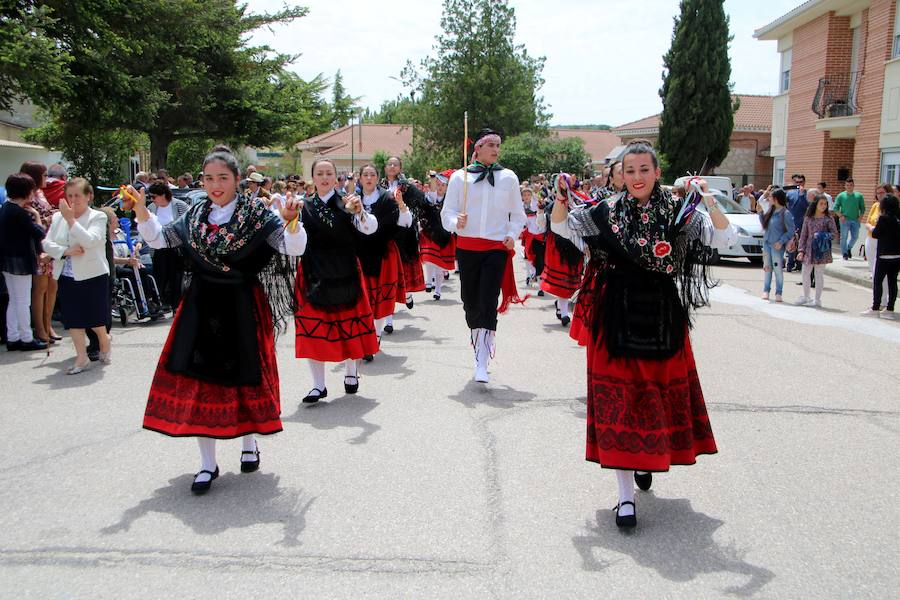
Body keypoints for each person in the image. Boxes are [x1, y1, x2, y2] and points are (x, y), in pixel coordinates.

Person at [550, 139, 734, 529]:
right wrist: (562, 198)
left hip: (662, 313)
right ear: (621, 174)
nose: (637, 177)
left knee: (652, 396)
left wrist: (708, 200)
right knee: (619, 400)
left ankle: (643, 461)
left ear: (657, 172)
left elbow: (723, 238)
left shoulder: (680, 212)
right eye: (629, 171)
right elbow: (562, 227)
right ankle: (623, 496)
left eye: (644, 170)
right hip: (613, 312)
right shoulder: (604, 212)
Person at [126, 145, 307, 495]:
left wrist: (291, 221)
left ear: (237, 180)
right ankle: (207, 464)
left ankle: (249, 443)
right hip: (201, 303)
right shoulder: (194, 215)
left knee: (244, 376)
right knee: (200, 380)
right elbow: (161, 240)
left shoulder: (257, 214)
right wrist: (141, 213)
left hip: (242, 303)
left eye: (223, 177)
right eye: (209, 178)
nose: (215, 184)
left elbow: (292, 248)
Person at [441, 128, 527, 383]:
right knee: (470, 302)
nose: (495, 149)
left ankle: (482, 358)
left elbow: (518, 214)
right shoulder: (460, 178)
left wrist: (513, 234)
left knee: (488, 301)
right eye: (490, 144)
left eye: (498, 144)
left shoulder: (508, 177)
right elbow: (446, 216)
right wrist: (458, 220)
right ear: (477, 148)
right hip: (467, 248)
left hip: (495, 248)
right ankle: (477, 339)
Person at [295, 158, 379, 403]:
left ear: (336, 177)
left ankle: (351, 371)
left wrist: (361, 210)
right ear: (313, 177)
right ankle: (318, 385)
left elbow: (369, 228)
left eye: (328, 173)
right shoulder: (303, 205)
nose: (324, 177)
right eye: (319, 173)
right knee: (313, 327)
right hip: (313, 270)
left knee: (348, 325)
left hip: (345, 270)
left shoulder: (348, 202)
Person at [42, 178, 111, 374]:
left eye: (77, 196)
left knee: (96, 319)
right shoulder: (57, 218)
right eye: (69, 195)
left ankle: (104, 340)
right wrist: (65, 251)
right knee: (73, 320)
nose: (73, 200)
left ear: (89, 196)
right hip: (67, 275)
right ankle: (82, 358)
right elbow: (47, 244)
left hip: (93, 274)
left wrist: (71, 220)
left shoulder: (97, 217)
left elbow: (90, 241)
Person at [353, 163, 411, 362]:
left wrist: (401, 204)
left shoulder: (388, 198)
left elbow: (405, 223)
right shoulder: (352, 200)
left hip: (383, 252)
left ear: (377, 178)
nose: (369, 178)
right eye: (365, 174)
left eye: (372, 175)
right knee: (362, 299)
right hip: (359, 253)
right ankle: (366, 337)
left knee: (378, 299)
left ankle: (375, 337)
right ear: (360, 178)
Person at [0, 173, 48, 351]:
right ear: (26, 192)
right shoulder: (20, 212)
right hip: (20, 261)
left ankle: (13, 336)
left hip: (7, 261)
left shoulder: (6, 207)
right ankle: (26, 337)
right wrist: (36, 215)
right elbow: (39, 232)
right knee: (22, 300)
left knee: (14, 299)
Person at [383, 156, 425, 327]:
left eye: (395, 164)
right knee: (387, 275)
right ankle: (388, 320)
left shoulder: (407, 186)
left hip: (404, 233)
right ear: (385, 168)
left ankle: (406, 293)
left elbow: (421, 201)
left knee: (403, 268)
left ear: (400, 168)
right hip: (386, 232)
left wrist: (407, 211)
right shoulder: (380, 186)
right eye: (389, 164)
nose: (392, 167)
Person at [20, 161, 60, 345]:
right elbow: (31, 222)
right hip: (38, 248)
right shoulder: (28, 197)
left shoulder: (41, 193)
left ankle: (47, 323)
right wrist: (49, 217)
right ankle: (40, 329)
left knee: (52, 287)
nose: (47, 179)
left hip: (50, 245)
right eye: (44, 175)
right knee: (40, 289)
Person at [540, 174, 586, 326]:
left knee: (571, 279)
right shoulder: (552, 205)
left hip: (575, 246)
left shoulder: (582, 203)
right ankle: (564, 312)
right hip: (558, 249)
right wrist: (540, 213)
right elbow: (544, 225)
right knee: (563, 280)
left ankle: (561, 307)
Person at [146, 182, 189, 311]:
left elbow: (187, 224)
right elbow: (147, 227)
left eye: (154, 196)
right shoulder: (151, 208)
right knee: (160, 276)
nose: (152, 199)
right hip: (159, 248)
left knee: (176, 276)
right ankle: (161, 304)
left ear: (163, 195)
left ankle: (177, 305)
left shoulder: (179, 205)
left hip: (176, 248)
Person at [795, 193, 838, 308]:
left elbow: (834, 234)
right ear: (816, 204)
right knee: (805, 273)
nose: (823, 206)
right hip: (809, 249)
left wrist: (822, 235)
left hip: (821, 249)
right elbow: (803, 235)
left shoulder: (829, 218)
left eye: (825, 204)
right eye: (821, 204)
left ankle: (817, 299)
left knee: (819, 274)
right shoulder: (808, 218)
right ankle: (806, 296)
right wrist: (801, 250)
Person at [419, 169, 456, 300]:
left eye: (443, 185)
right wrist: (433, 178)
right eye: (438, 185)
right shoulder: (431, 197)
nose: (440, 188)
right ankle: (429, 281)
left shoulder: (450, 200)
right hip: (430, 232)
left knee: (440, 265)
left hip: (444, 234)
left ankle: (438, 290)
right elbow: (432, 194)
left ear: (447, 187)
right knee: (429, 259)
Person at [861, 194, 900, 318]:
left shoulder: (883, 218)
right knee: (892, 282)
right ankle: (890, 309)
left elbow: (876, 234)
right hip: (897, 255)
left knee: (878, 281)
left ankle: (875, 307)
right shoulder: (898, 218)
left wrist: (873, 227)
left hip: (884, 255)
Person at [757, 187, 794, 302]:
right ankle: (766, 290)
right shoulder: (770, 211)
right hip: (767, 243)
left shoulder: (786, 213)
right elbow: (764, 224)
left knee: (778, 269)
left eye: (771, 197)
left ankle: (779, 292)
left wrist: (781, 241)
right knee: (767, 268)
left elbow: (791, 230)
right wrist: (760, 213)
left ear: (776, 199)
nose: (769, 199)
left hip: (777, 245)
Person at [864, 183, 892, 309]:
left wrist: (877, 228)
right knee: (873, 269)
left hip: (882, 241)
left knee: (879, 272)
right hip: (871, 238)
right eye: (878, 193)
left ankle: (883, 301)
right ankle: (878, 299)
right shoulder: (875, 206)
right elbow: (867, 222)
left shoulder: (891, 208)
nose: (879, 195)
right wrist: (873, 227)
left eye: (882, 193)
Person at [833, 178, 866, 260]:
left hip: (855, 220)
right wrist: (840, 216)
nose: (849, 187)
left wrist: (860, 217)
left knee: (855, 237)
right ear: (845, 186)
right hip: (844, 220)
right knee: (844, 237)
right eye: (847, 185)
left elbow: (863, 208)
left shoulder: (859, 196)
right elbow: (835, 208)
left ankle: (848, 248)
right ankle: (844, 253)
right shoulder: (841, 195)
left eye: (851, 185)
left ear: (853, 186)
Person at [785, 174, 808, 272]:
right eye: (797, 182)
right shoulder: (790, 193)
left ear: (804, 182)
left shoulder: (807, 194)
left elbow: (806, 206)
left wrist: (802, 195)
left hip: (803, 222)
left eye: (801, 182)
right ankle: (790, 264)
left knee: (801, 243)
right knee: (791, 242)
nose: (799, 184)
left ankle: (799, 264)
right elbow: (785, 205)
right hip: (791, 222)